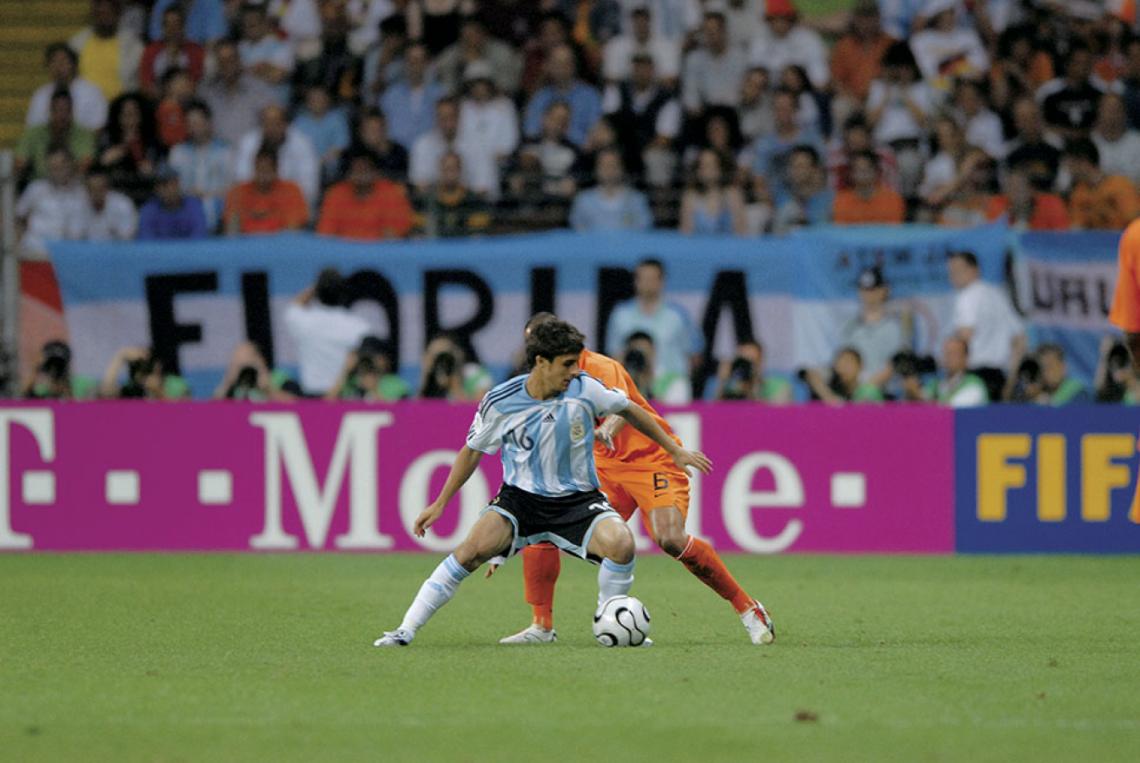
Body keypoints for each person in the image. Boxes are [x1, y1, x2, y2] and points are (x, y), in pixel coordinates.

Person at [373, 318, 715, 648]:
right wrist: (440, 503)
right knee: (469, 553)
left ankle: (611, 617)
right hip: (520, 502)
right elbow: (472, 452)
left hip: (578, 502)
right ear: (541, 361)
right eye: (567, 364)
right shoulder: (501, 400)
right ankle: (405, 630)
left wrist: (674, 449)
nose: (575, 371)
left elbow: (630, 409)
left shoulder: (585, 389)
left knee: (622, 544)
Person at [605, 258, 701, 392]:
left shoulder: (678, 316)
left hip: (672, 385)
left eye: (652, 278)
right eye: (643, 278)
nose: (647, 283)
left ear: (662, 281)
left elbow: (694, 356)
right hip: (632, 387)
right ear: (635, 281)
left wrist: (679, 381)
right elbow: (614, 356)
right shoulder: (620, 315)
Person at [947, 250, 1025, 402]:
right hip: (999, 377)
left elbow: (964, 338)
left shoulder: (967, 296)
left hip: (974, 377)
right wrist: (1010, 380)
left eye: (957, 270)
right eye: (951, 272)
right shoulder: (998, 295)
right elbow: (1020, 340)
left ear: (974, 269)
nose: (952, 277)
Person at [283, 269, 373, 397]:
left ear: (317, 293)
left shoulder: (304, 321)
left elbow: (295, 305)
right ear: (343, 292)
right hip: (343, 397)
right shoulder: (358, 327)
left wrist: (317, 287)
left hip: (314, 397)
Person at [233, 105, 321, 209]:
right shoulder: (248, 143)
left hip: (290, 205)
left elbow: (309, 188)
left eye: (276, 124)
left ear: (286, 124)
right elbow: (242, 180)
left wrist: (278, 197)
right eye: (267, 124)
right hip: (255, 205)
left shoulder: (302, 144)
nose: (271, 128)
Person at [317, 150, 414, 240]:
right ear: (348, 174)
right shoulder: (335, 194)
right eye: (356, 170)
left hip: (380, 253)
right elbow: (326, 235)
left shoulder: (391, 193)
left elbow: (395, 234)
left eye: (365, 169)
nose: (361, 174)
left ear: (376, 172)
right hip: (343, 253)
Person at [840, 267, 910, 390]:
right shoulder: (849, 327)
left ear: (884, 290)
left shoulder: (895, 327)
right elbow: (844, 362)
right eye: (864, 289)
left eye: (873, 289)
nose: (868, 295)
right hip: (854, 394)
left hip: (886, 394)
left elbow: (897, 363)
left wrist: (869, 386)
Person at [167, 101, 232, 231]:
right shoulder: (177, 152)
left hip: (218, 207)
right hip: (184, 207)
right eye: (189, 124)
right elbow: (171, 187)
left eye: (197, 123)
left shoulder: (226, 151)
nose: (193, 128)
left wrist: (207, 195)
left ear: (209, 123)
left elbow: (232, 188)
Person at [200, 40, 278, 147]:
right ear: (217, 64)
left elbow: (273, 123)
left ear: (239, 60)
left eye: (231, 59)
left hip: (251, 156)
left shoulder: (259, 89)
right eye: (222, 61)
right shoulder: (206, 92)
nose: (227, 65)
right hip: (217, 157)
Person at [523, 43, 603, 147]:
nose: (561, 68)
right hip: (545, 153)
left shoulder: (590, 96)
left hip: (580, 154)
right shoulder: (540, 97)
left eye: (566, 63)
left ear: (574, 65)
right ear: (549, 66)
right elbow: (530, 132)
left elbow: (596, 133)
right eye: (557, 63)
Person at [15, 147, 88, 257]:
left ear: (71, 164)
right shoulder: (35, 189)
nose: (57, 171)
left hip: (70, 258)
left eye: (61, 166)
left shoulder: (83, 193)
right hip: (35, 255)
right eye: (53, 167)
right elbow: (19, 220)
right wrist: (16, 250)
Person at [69, 0, 145, 100]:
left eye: (108, 13)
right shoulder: (76, 44)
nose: (104, 18)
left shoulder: (134, 46)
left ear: (118, 15)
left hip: (120, 109)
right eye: (100, 14)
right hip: (85, 108)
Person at [15, 89, 96, 183]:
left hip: (74, 185)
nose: (62, 115)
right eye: (58, 110)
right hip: (41, 184)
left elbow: (86, 162)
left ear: (72, 111)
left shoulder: (84, 134)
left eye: (66, 110)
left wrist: (62, 177)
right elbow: (19, 161)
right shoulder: (33, 134)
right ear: (50, 110)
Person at [223, 148, 309, 234]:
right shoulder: (238, 193)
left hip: (279, 244)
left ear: (276, 169)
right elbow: (231, 231)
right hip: (246, 243)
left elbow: (294, 229)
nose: (262, 175)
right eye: (259, 169)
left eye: (267, 170)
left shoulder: (291, 191)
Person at [26, 42, 107, 132]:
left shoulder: (92, 92)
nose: (58, 66)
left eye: (63, 61)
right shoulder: (40, 95)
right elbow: (32, 128)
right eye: (53, 61)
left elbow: (99, 127)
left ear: (74, 64)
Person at [568, 148, 652, 232]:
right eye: (604, 166)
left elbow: (644, 227)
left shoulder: (637, 199)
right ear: (596, 169)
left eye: (613, 165)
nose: (608, 170)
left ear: (622, 168)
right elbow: (577, 228)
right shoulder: (583, 200)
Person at [1065, 138, 1140, 230]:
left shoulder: (1120, 185)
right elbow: (1077, 228)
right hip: (1095, 242)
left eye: (1070, 165)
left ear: (1083, 162)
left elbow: (1135, 220)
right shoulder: (1078, 192)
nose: (1068, 170)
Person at [414, 152, 492, 238]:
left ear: (460, 170)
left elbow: (478, 233)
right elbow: (419, 231)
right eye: (446, 169)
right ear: (440, 171)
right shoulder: (427, 201)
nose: (449, 174)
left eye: (453, 169)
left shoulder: (474, 200)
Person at [679, 149, 745, 235]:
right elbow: (685, 232)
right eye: (701, 166)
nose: (704, 170)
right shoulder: (690, 196)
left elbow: (742, 232)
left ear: (719, 169)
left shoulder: (733, 194)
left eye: (709, 165)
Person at [325, 336, 411, 402]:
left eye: (371, 356)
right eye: (363, 356)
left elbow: (400, 415)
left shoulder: (395, 384)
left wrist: (373, 389)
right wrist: (345, 370)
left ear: (383, 360)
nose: (368, 362)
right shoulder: (351, 383)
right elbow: (324, 406)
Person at [831, 152, 905, 225]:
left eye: (867, 169)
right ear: (851, 174)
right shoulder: (841, 200)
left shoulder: (893, 200)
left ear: (877, 172)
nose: (862, 173)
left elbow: (893, 232)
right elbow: (841, 232)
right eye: (858, 170)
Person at [70, 165, 138, 241]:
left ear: (108, 188)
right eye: (93, 189)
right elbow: (74, 238)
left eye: (100, 189)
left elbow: (128, 238)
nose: (97, 193)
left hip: (117, 251)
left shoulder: (123, 205)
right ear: (87, 190)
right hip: (86, 251)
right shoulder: (77, 206)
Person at [713, 339, 793, 403]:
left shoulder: (779, 387)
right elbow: (714, 415)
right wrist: (722, 382)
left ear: (761, 362)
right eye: (743, 363)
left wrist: (753, 388)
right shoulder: (730, 390)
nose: (745, 368)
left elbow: (779, 417)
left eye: (751, 362)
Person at [100, 346, 191, 400]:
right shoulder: (131, 388)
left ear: (157, 365)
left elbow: (183, 413)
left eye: (148, 363)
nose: (144, 368)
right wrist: (121, 357)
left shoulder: (176, 384)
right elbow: (105, 392)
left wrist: (158, 392)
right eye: (139, 365)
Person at [801, 347, 884, 403]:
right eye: (840, 363)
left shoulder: (868, 389)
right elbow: (808, 372)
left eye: (848, 363)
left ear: (860, 366)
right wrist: (827, 396)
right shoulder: (829, 384)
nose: (843, 368)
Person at [922, 337, 989, 407]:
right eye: (946, 353)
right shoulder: (935, 383)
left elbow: (955, 407)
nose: (948, 357)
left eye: (953, 353)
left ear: (965, 358)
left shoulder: (975, 383)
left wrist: (923, 399)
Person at [22, 341, 98, 400]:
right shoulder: (42, 390)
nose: (55, 371)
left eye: (60, 366)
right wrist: (36, 368)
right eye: (50, 367)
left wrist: (65, 386)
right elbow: (23, 396)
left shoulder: (82, 386)